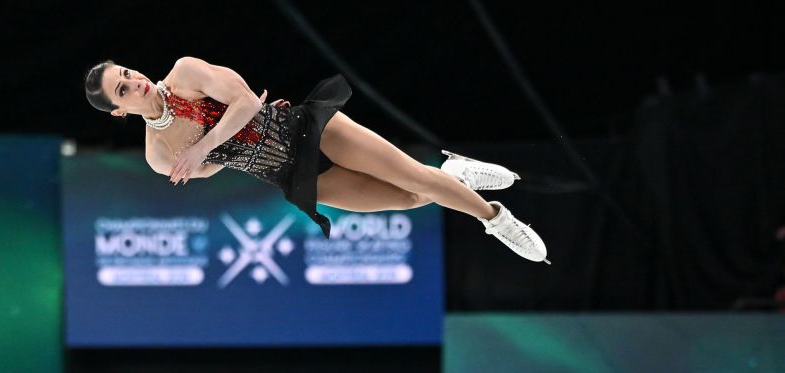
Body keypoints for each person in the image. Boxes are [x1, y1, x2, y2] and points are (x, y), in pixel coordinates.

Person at [83, 57, 548, 263]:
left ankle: (496, 219)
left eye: (127, 72)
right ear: (120, 110)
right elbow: (218, 163)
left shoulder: (184, 74)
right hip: (295, 177)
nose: (136, 81)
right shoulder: (158, 155)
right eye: (123, 89)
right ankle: (454, 173)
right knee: (410, 195)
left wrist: (219, 136)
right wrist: (230, 142)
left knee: (413, 178)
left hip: (310, 132)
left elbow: (243, 101)